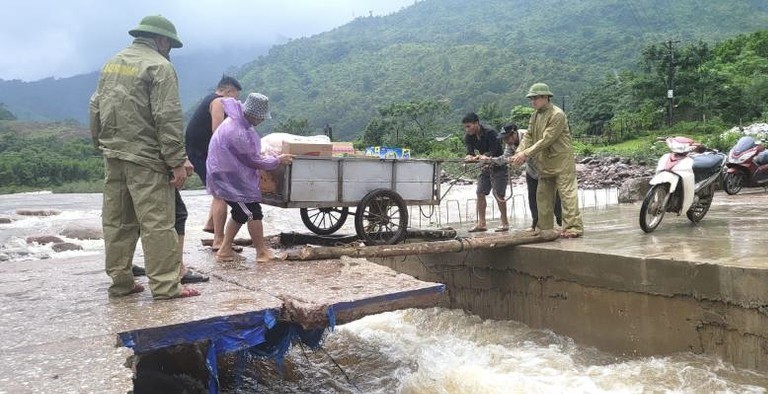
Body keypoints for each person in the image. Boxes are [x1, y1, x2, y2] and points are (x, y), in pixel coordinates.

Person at [89, 15, 199, 299]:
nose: (169, 50)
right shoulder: (159, 66)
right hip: (147, 159)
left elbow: (95, 105)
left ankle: (121, 283)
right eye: (170, 44)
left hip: (114, 155)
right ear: (161, 40)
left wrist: (101, 144)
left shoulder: (112, 63)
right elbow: (167, 116)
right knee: (157, 224)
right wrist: (176, 161)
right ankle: (165, 286)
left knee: (117, 222)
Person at [206, 93, 293, 262]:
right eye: (261, 117)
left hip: (228, 175)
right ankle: (261, 252)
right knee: (253, 212)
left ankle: (225, 250)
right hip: (229, 179)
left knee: (240, 213)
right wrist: (277, 160)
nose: (261, 120)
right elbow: (252, 160)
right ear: (254, 115)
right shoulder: (237, 130)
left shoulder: (237, 123)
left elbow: (249, 154)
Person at [510, 83, 583, 238]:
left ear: (545, 97)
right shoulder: (535, 116)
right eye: (531, 99)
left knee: (567, 194)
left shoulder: (557, 115)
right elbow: (529, 136)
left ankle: (573, 228)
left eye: (535, 98)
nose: (533, 102)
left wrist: (526, 154)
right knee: (542, 195)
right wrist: (519, 152)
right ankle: (545, 228)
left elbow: (547, 139)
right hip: (544, 162)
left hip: (561, 161)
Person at [184, 75, 242, 252]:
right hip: (201, 154)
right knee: (221, 193)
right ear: (229, 91)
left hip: (199, 151)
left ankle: (211, 224)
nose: (235, 101)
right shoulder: (218, 101)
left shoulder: (210, 99)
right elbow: (218, 132)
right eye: (236, 96)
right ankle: (219, 239)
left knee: (218, 190)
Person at [497, 123, 562, 231]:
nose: (506, 141)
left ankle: (561, 220)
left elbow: (538, 149)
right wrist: (492, 160)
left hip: (546, 168)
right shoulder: (510, 143)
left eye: (507, 138)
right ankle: (535, 223)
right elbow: (506, 157)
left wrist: (523, 156)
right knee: (532, 197)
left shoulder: (528, 135)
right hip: (531, 170)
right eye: (504, 139)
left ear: (514, 133)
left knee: (553, 195)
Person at [462, 112, 509, 232]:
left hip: (498, 165)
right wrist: (469, 157)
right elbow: (470, 152)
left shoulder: (491, 133)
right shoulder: (469, 136)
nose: (467, 129)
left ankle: (505, 223)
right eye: (465, 127)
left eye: (469, 126)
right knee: (480, 192)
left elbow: (494, 150)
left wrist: (484, 156)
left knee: (499, 194)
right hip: (485, 166)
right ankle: (481, 223)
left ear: (476, 123)